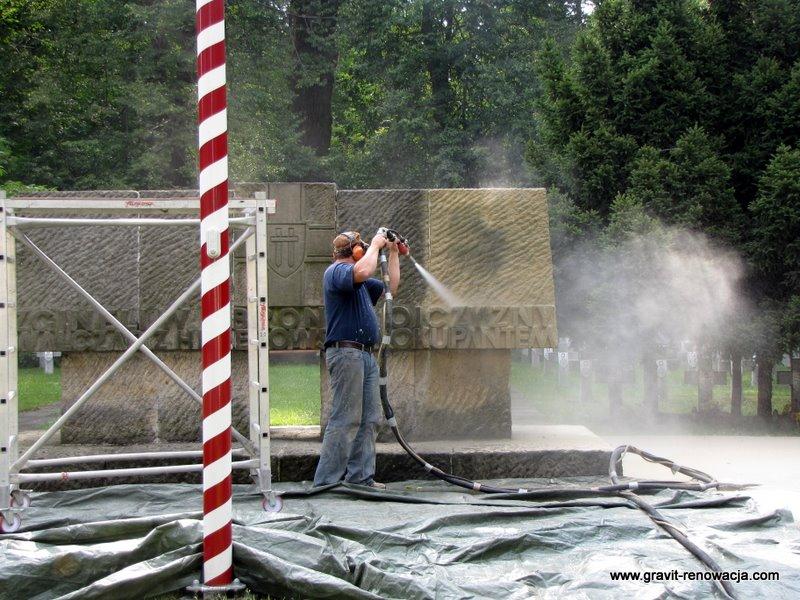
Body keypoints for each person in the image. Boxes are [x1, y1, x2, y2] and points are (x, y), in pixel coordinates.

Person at [313, 229, 400, 488]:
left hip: (365, 354)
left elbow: (391, 287)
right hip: (346, 353)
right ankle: (326, 482)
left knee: (370, 418)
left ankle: (360, 478)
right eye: (361, 248)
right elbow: (362, 271)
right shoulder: (337, 272)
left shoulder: (361, 284)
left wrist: (394, 252)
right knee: (345, 418)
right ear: (356, 251)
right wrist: (375, 245)